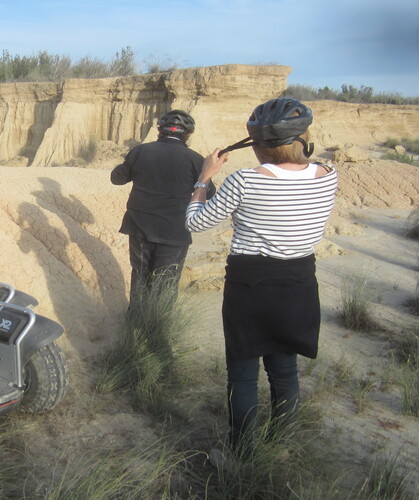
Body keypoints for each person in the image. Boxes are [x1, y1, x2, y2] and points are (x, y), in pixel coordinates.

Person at [185, 97, 338, 450]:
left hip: (250, 284)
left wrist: (204, 178)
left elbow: (194, 221)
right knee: (284, 370)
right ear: (302, 137)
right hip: (299, 280)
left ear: (258, 144)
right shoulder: (329, 175)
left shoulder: (244, 181)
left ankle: (244, 453)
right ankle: (282, 444)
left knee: (242, 373)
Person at [111, 109, 215, 305]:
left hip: (139, 226)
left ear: (159, 130)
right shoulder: (195, 159)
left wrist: (130, 163)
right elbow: (209, 193)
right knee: (165, 283)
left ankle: (135, 326)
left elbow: (116, 179)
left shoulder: (140, 151)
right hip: (174, 232)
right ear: (188, 135)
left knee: (140, 278)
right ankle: (160, 330)